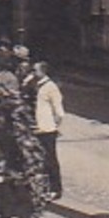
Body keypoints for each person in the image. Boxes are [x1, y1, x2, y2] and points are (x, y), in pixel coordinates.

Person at [29, 61, 65, 198]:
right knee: (38, 160)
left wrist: (54, 126)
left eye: (35, 70)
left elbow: (59, 112)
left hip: (47, 129)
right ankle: (41, 187)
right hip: (35, 128)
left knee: (50, 160)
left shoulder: (51, 87)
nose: (32, 73)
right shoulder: (34, 85)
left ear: (43, 72)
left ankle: (55, 188)